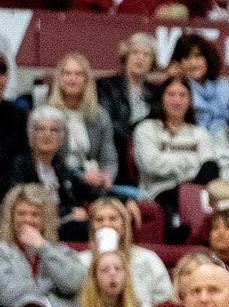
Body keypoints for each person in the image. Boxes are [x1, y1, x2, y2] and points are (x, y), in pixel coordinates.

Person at [131, 78, 219, 221]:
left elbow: (211, 169)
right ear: (162, 98)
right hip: (158, 194)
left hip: (195, 195)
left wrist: (186, 187)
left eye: (182, 95)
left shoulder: (200, 133)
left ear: (190, 100)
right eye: (171, 94)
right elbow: (152, 165)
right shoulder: (146, 129)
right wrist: (191, 163)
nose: (177, 101)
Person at [10, 108, 105, 240]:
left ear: (61, 139)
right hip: (31, 227)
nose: (47, 134)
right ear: (31, 137)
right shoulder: (19, 166)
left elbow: (91, 192)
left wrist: (125, 201)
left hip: (63, 228)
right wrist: (69, 213)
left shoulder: (60, 168)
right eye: (40, 129)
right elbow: (23, 204)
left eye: (54, 130)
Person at [0, 184, 87, 307]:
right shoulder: (2, 251)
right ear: (11, 218)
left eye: (35, 214)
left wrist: (43, 248)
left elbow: (75, 284)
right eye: (21, 214)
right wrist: (51, 283)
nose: (28, 220)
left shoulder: (61, 252)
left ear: (46, 219)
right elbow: (6, 294)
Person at [81, 197, 172, 307]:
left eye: (113, 219)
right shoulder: (81, 261)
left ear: (124, 224)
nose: (106, 224)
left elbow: (166, 301)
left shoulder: (148, 259)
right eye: (99, 220)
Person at [44, 52, 119, 187]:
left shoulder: (100, 115)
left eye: (78, 74)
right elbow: (48, 160)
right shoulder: (47, 115)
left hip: (93, 183)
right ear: (59, 78)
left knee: (132, 199)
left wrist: (107, 177)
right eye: (67, 74)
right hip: (60, 182)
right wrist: (81, 177)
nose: (72, 79)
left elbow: (109, 158)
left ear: (86, 80)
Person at [96, 33, 158, 166]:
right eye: (135, 52)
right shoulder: (106, 86)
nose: (140, 58)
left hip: (147, 154)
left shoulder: (157, 93)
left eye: (146, 55)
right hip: (115, 151)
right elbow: (107, 123)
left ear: (153, 62)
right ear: (126, 56)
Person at [168, 34, 229, 133]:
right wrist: (175, 79)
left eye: (198, 56)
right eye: (186, 58)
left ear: (207, 58)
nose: (193, 63)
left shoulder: (225, 87)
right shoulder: (180, 91)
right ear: (178, 62)